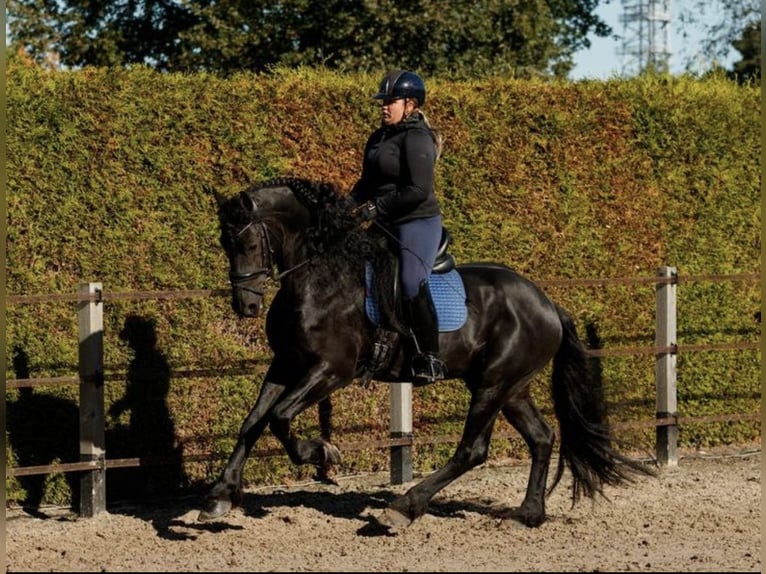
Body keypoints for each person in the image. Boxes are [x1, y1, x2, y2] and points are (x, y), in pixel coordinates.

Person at [351, 69, 446, 385]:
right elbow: (365, 184)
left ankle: (430, 357)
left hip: (416, 221)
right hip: (383, 221)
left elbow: (418, 190)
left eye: (390, 101)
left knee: (409, 282)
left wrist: (377, 207)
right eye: (383, 101)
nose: (384, 106)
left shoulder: (417, 138)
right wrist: (344, 209)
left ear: (410, 104)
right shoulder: (377, 138)